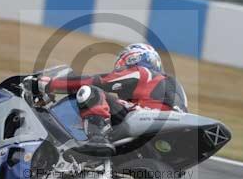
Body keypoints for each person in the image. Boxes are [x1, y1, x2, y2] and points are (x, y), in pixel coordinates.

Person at [32, 43, 188, 156]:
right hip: (173, 132)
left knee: (90, 91)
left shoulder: (142, 72)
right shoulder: (173, 84)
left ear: (133, 59)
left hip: (148, 116)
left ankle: (97, 137)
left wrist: (51, 84)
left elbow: (99, 81)